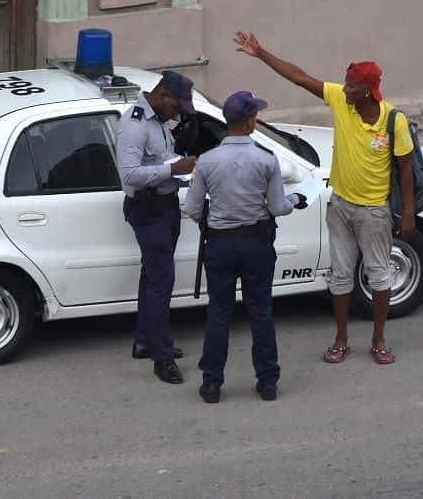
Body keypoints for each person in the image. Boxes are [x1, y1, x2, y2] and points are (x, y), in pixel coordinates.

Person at [233, 31, 415, 366]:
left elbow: (405, 170)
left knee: (379, 274)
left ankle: (378, 341)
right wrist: (261, 53)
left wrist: (408, 213)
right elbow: (300, 77)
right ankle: (341, 340)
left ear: (368, 90)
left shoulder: (393, 120)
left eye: (351, 86)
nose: (343, 89)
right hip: (341, 206)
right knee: (341, 275)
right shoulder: (340, 102)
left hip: (374, 212)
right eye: (345, 84)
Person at [184, 91, 309, 403]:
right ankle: (267, 382)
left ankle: (212, 384)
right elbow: (278, 207)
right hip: (256, 243)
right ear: (251, 120)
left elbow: (192, 207)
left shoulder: (208, 161)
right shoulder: (266, 160)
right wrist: (295, 201)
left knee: (218, 314)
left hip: (220, 245)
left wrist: (211, 220)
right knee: (261, 312)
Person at [116, 70, 198, 384]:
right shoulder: (135, 125)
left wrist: (180, 164)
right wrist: (173, 169)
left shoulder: (158, 122)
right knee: (161, 280)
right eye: (177, 107)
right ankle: (161, 357)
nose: (178, 113)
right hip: (148, 208)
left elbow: (160, 158)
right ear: (163, 96)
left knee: (151, 275)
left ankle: (144, 341)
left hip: (163, 205)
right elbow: (130, 174)